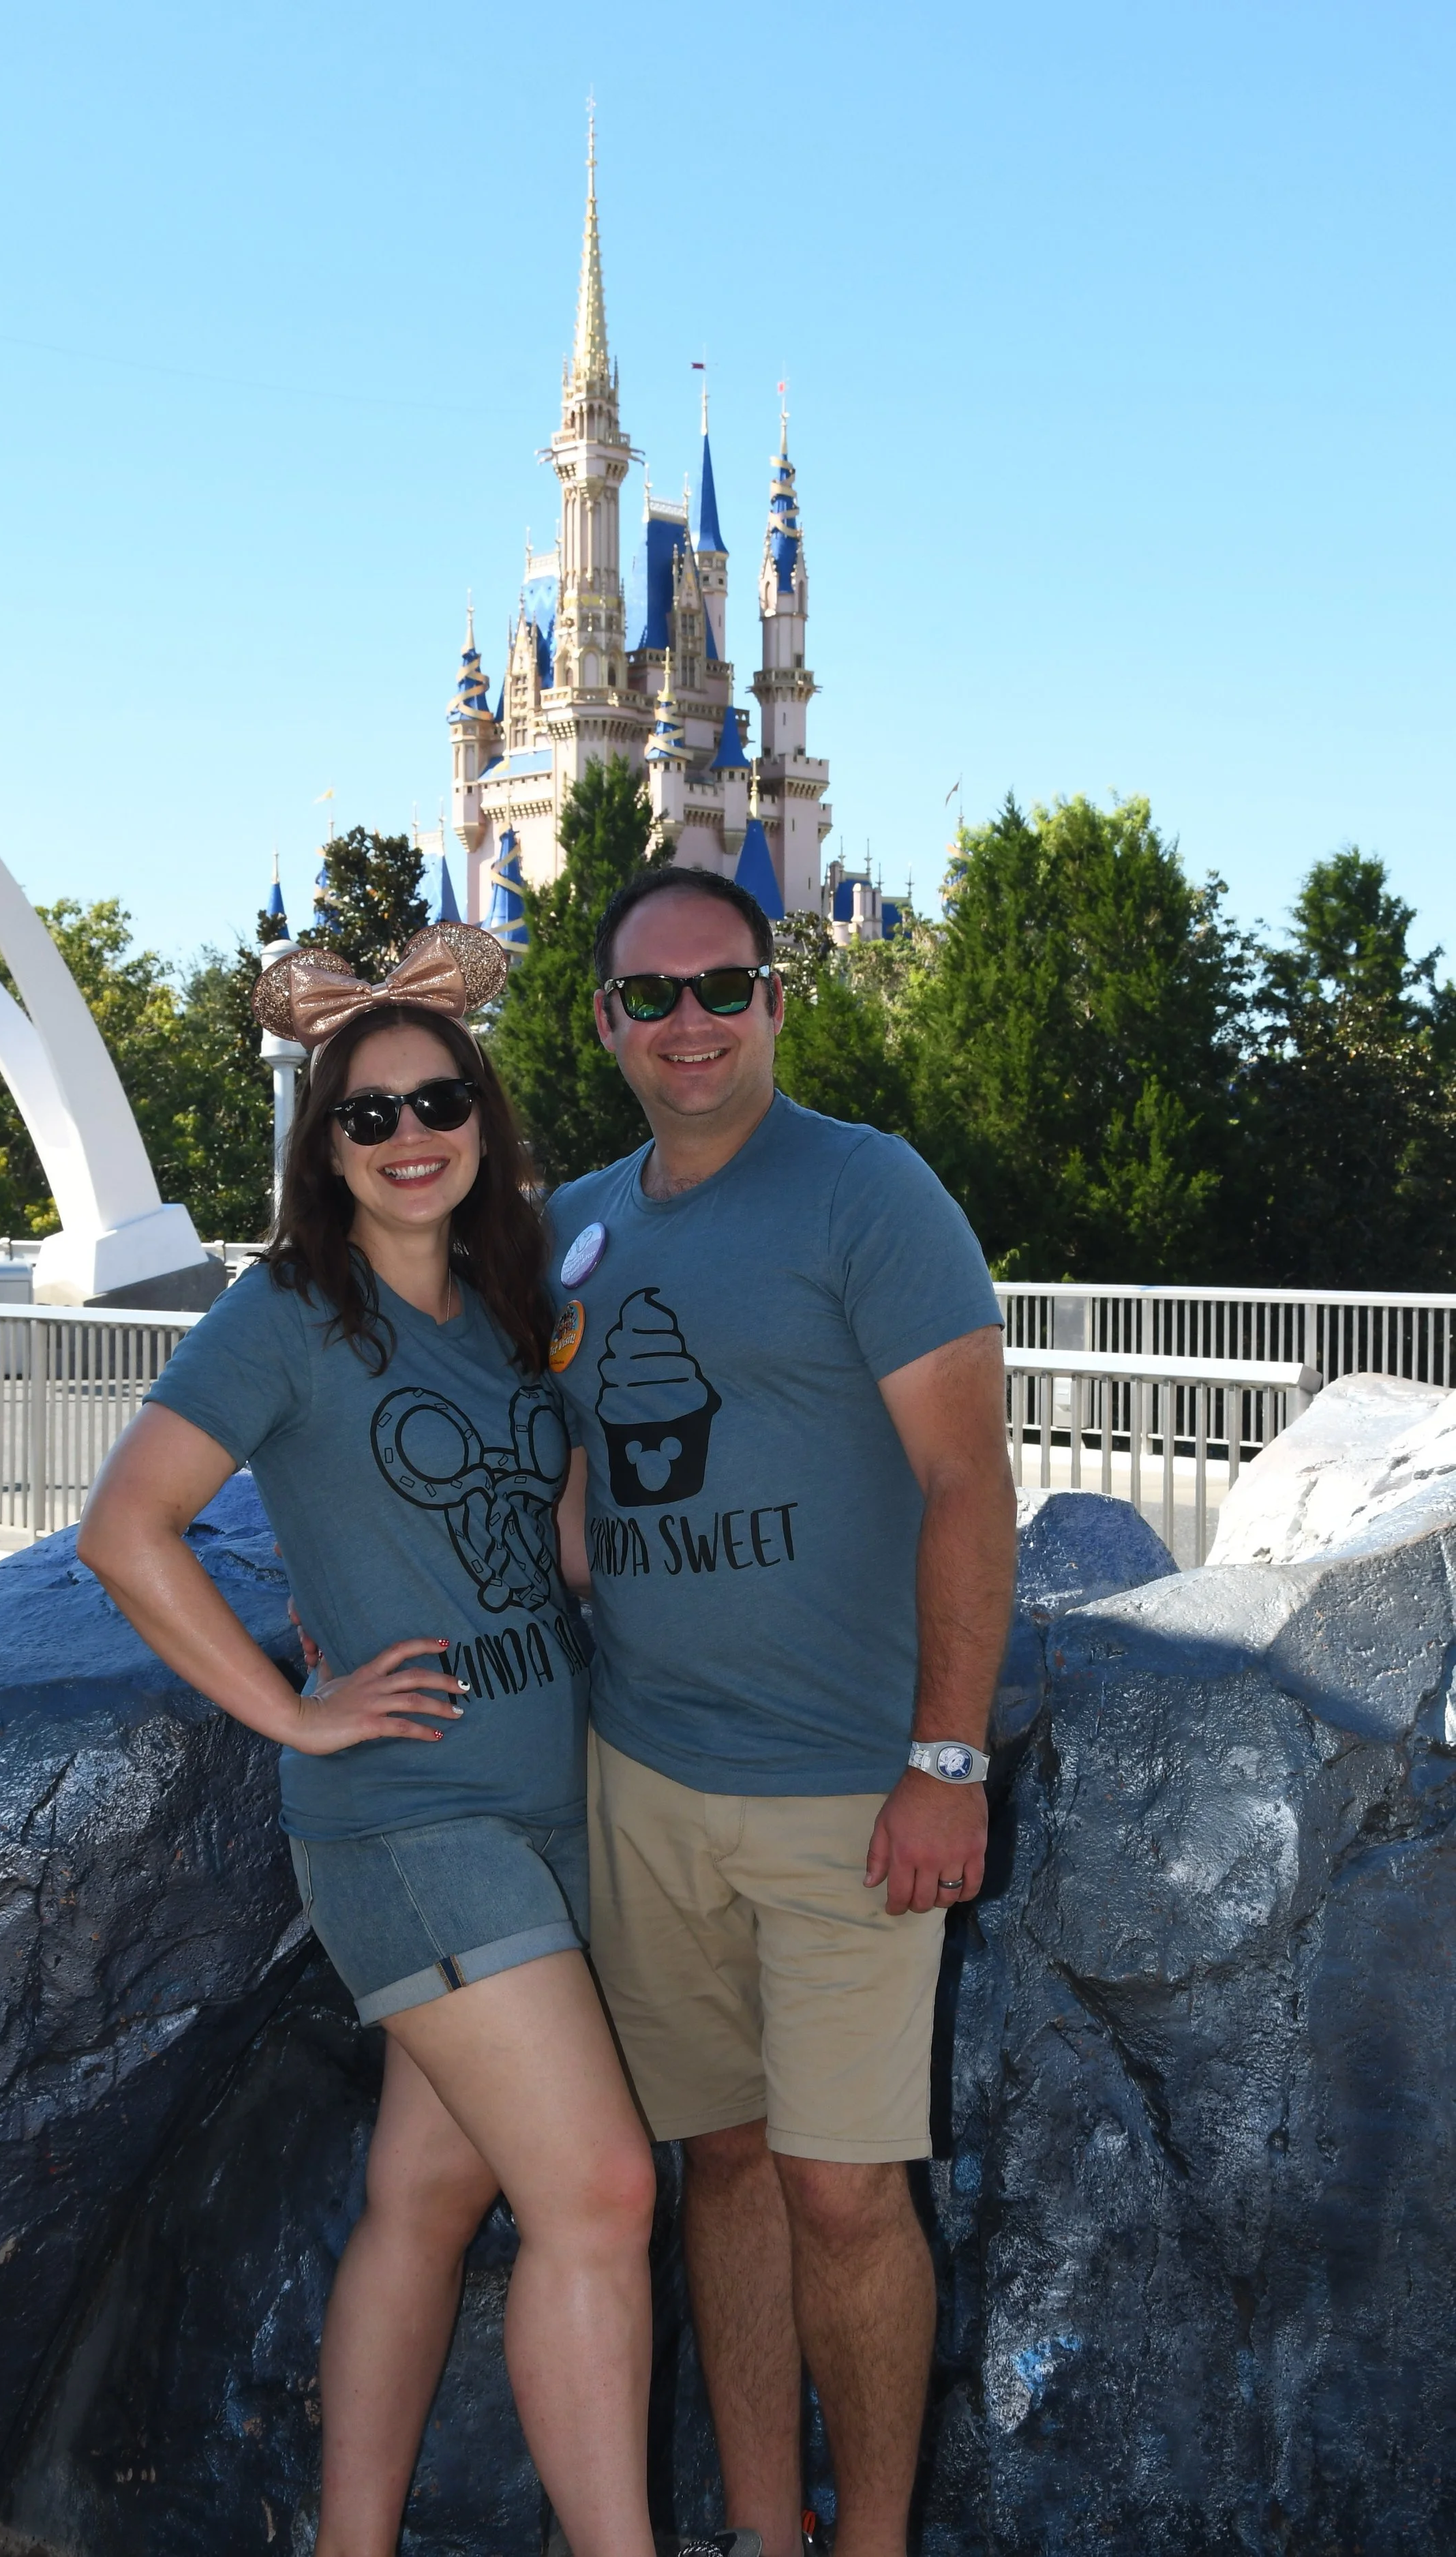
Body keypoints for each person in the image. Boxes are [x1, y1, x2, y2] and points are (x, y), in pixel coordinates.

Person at [76, 923, 743, 2557]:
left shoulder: (514, 1301)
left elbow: (566, 1545)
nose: (407, 1135)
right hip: (409, 1821)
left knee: (426, 2197)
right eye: (365, 1115)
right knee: (598, 2193)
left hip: (546, 1803)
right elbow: (126, 1528)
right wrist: (292, 1708)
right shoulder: (288, 1312)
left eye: (435, 1099)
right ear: (324, 1145)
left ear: (481, 1115)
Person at [543, 867, 1017, 2557]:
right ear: (602, 1020)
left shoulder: (866, 1193)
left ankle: (871, 2539)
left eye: (722, 988)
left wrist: (943, 1761)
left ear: (774, 1001)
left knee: (839, 2187)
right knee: (722, 2169)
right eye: (652, 996)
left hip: (842, 1792)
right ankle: (761, 2530)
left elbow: (968, 1483)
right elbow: (555, 1488)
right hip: (645, 1781)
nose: (690, 1024)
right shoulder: (573, 1225)